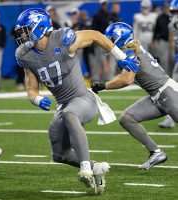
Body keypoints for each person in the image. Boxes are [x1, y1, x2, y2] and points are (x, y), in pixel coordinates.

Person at [15, 8, 139, 194]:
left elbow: (96, 36)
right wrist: (37, 99)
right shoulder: (24, 54)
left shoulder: (63, 38)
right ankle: (97, 168)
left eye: (26, 29)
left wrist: (119, 56)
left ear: (39, 27)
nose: (23, 35)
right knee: (59, 155)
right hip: (63, 105)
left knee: (70, 114)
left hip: (83, 99)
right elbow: (31, 89)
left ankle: (86, 167)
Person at [92, 22, 172, 170]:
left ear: (120, 39)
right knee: (127, 119)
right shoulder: (131, 49)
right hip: (157, 96)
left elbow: (126, 79)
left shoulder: (130, 52)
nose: (108, 43)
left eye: (111, 39)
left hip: (169, 94)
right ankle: (156, 152)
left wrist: (103, 86)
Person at [158, 0, 178, 128]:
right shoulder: (172, 25)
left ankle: (170, 118)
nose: (175, 14)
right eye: (173, 12)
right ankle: (170, 118)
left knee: (171, 89)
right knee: (171, 89)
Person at [91, 0, 110, 82]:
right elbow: (94, 28)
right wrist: (95, 40)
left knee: (107, 60)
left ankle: (107, 77)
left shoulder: (109, 15)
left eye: (105, 4)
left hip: (108, 41)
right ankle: (96, 77)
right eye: (103, 4)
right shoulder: (96, 15)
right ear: (100, 5)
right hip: (99, 41)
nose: (104, 6)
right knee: (99, 60)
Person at [151, 2, 171, 75]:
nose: (166, 9)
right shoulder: (160, 18)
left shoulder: (173, 17)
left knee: (172, 59)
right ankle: (164, 75)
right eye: (165, 7)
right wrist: (153, 40)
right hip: (162, 41)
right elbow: (155, 30)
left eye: (167, 7)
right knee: (164, 60)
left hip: (172, 42)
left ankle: (172, 76)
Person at [106, 2, 122, 80]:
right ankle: (110, 78)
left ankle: (114, 76)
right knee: (111, 60)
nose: (116, 9)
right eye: (114, 7)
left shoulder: (118, 17)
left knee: (116, 60)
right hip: (111, 42)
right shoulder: (110, 17)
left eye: (117, 7)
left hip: (117, 42)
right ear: (112, 8)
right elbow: (111, 31)